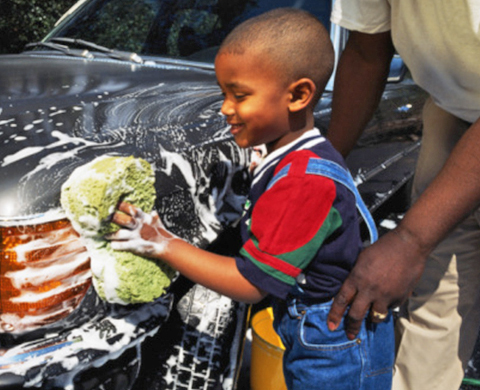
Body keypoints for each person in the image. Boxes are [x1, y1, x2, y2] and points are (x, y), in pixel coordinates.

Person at [106, 8, 394, 389]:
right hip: (322, 332)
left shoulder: (303, 182)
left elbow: (251, 283)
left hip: (332, 347)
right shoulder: (298, 153)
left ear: (298, 95)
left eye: (239, 95)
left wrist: (162, 242)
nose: (225, 108)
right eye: (224, 93)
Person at [325, 1, 480, 389]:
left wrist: (411, 240)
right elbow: (366, 50)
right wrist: (324, 172)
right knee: (431, 303)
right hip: (455, 111)